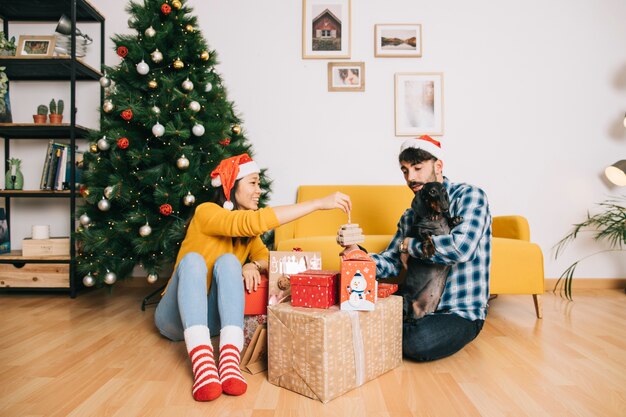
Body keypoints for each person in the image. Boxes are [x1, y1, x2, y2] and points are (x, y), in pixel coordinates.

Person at [154, 153, 351, 402]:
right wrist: (317, 203)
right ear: (231, 187)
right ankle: (203, 364)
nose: (259, 190)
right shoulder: (206, 212)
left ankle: (228, 361)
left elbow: (268, 258)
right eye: (253, 183)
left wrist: (253, 265)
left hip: (211, 320)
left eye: (259, 184)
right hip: (174, 320)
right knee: (192, 260)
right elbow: (250, 223)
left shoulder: (248, 238)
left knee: (229, 263)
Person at [341, 135, 491, 362]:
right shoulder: (410, 215)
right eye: (404, 171)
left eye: (418, 168)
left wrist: (410, 245)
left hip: (457, 311)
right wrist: (358, 255)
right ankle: (381, 332)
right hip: (413, 304)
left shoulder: (469, 196)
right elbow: (391, 263)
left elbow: (461, 248)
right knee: (351, 313)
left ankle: (380, 334)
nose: (411, 178)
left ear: (438, 166)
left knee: (417, 343)